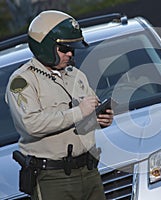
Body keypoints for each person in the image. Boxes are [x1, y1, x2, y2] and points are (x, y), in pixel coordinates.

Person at [5, 10, 113, 200]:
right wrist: (79, 112)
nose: (70, 54)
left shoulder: (76, 75)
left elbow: (88, 114)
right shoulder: (22, 81)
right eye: (64, 49)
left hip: (90, 171)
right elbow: (31, 124)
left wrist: (102, 119)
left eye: (72, 49)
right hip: (53, 178)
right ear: (44, 46)